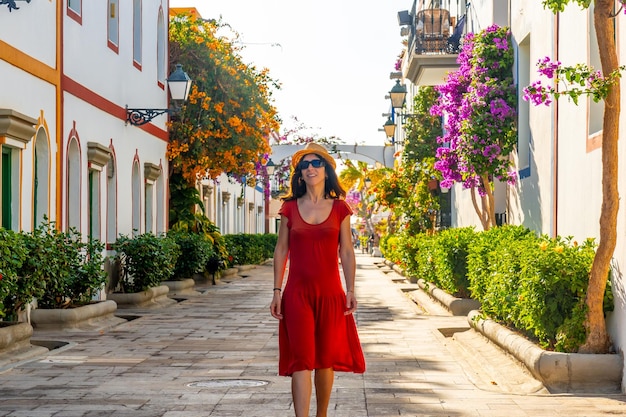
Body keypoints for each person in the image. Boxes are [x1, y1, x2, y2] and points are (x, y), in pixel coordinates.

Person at [270, 142, 366, 417]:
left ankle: (321, 415)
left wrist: (351, 289)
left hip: (330, 293)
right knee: (301, 361)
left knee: (325, 360)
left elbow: (346, 251)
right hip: (297, 295)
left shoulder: (340, 209)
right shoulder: (289, 207)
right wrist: (277, 291)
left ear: (327, 170)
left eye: (316, 163)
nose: (310, 168)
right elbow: (281, 250)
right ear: (299, 174)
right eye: (305, 165)